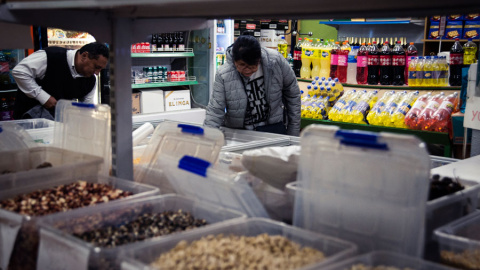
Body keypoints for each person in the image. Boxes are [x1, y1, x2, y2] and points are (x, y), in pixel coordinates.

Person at [204, 35, 301, 136]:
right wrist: (207, 139)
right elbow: (215, 110)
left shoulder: (275, 61)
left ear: (259, 59)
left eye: (252, 66)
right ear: (234, 60)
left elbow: (293, 95)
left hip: (273, 131)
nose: (247, 70)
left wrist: (293, 133)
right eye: (242, 65)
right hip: (240, 134)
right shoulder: (224, 74)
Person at [12, 42, 109, 119]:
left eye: (101, 69)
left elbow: (87, 110)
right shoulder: (50, 56)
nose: (97, 73)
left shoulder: (90, 81)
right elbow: (19, 72)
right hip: (26, 121)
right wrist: (43, 97)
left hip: (58, 128)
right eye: (96, 67)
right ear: (84, 56)